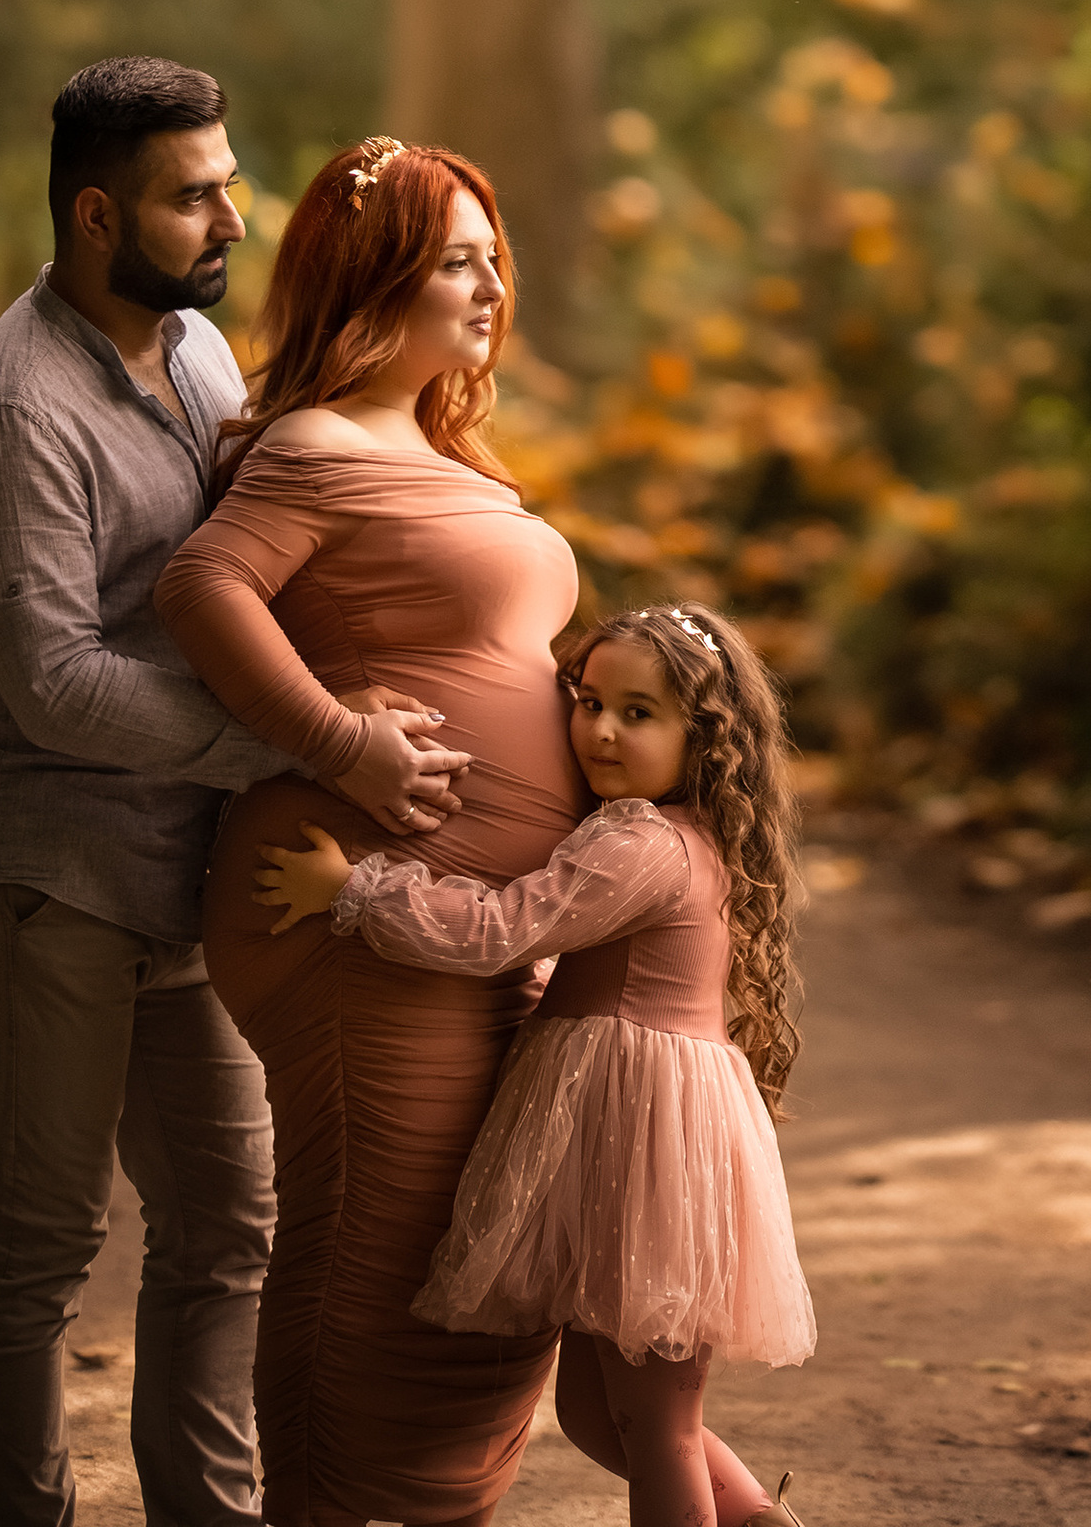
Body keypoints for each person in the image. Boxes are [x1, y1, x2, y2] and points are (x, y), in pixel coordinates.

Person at [0, 55, 466, 1527]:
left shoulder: (197, 354)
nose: (232, 216)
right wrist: (316, 742)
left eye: (228, 180)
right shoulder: (12, 413)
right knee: (39, 1240)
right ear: (95, 215)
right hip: (38, 874)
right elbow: (59, 687)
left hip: (180, 864)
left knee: (227, 1228)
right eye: (191, 194)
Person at [154, 137, 585, 1527]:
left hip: (479, 924)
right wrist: (342, 745)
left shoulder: (438, 445)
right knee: (368, 1238)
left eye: (491, 254)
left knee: (485, 1243)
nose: (489, 283)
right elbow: (203, 590)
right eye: (456, 258)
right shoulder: (315, 443)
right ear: (373, 280)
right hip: (350, 914)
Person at [254, 599, 814, 1527]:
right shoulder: (682, 837)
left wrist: (353, 885)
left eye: (639, 713)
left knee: (657, 1425)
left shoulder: (640, 843)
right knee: (601, 1414)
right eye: (588, 701)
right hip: (630, 1130)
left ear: (705, 738)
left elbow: (498, 932)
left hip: (648, 1146)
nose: (600, 729)